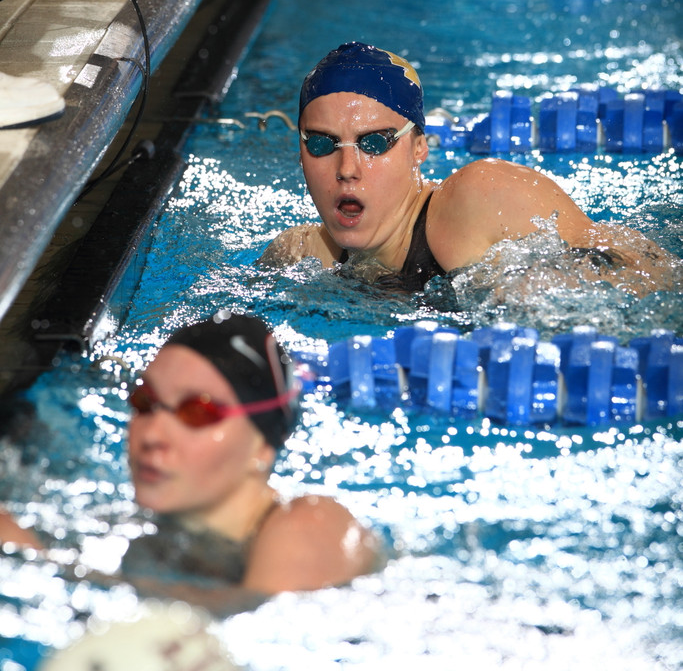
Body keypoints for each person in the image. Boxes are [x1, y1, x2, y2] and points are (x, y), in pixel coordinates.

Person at [0, 312, 380, 613]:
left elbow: (250, 623)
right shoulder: (144, 533)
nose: (152, 435)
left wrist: (38, 561)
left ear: (263, 447)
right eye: (145, 403)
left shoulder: (312, 524)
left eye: (197, 413)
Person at [260, 41, 681, 295]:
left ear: (419, 148)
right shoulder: (300, 258)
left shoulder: (479, 197)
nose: (347, 168)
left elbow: (654, 271)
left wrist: (566, 288)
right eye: (322, 143)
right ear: (299, 154)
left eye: (374, 143)